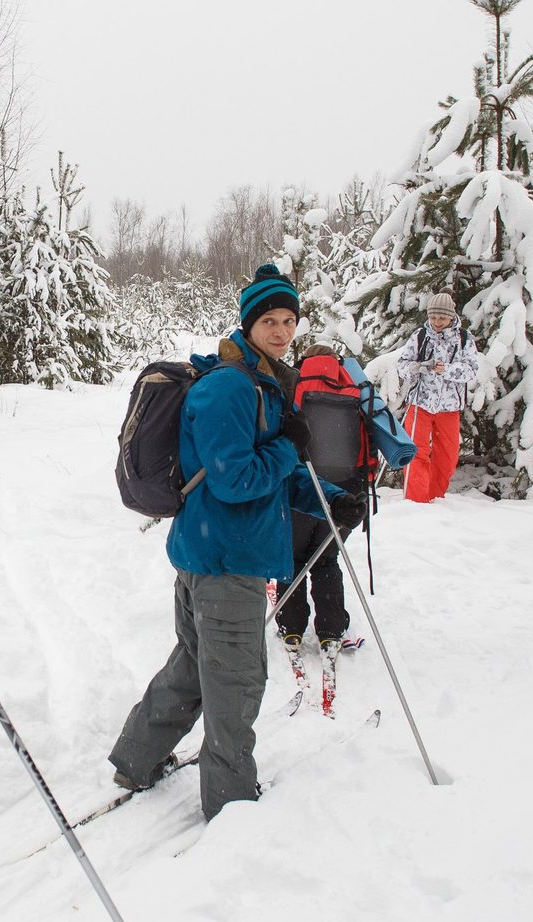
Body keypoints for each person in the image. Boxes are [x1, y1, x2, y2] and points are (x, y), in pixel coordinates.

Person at [108, 265, 363, 820]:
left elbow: (266, 471)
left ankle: (136, 757)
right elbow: (234, 478)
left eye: (288, 319)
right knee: (236, 681)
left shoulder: (263, 383)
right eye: (269, 320)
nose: (281, 330)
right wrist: (290, 452)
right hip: (226, 557)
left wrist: (329, 498)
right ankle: (229, 803)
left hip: (212, 549)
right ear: (248, 324)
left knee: (195, 666)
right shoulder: (229, 386)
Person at [274, 344, 363, 654]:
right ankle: (331, 629)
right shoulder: (355, 390)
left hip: (303, 487)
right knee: (326, 560)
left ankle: (291, 626)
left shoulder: (294, 384)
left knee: (293, 559)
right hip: (345, 492)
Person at [394, 292, 479, 502]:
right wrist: (413, 368)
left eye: (441, 318)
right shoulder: (420, 336)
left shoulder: (464, 339)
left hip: (449, 407)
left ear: (451, 316)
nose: (437, 323)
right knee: (416, 453)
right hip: (420, 402)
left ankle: (434, 497)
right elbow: (402, 364)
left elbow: (471, 370)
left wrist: (446, 369)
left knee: (447, 458)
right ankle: (416, 501)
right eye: (433, 318)